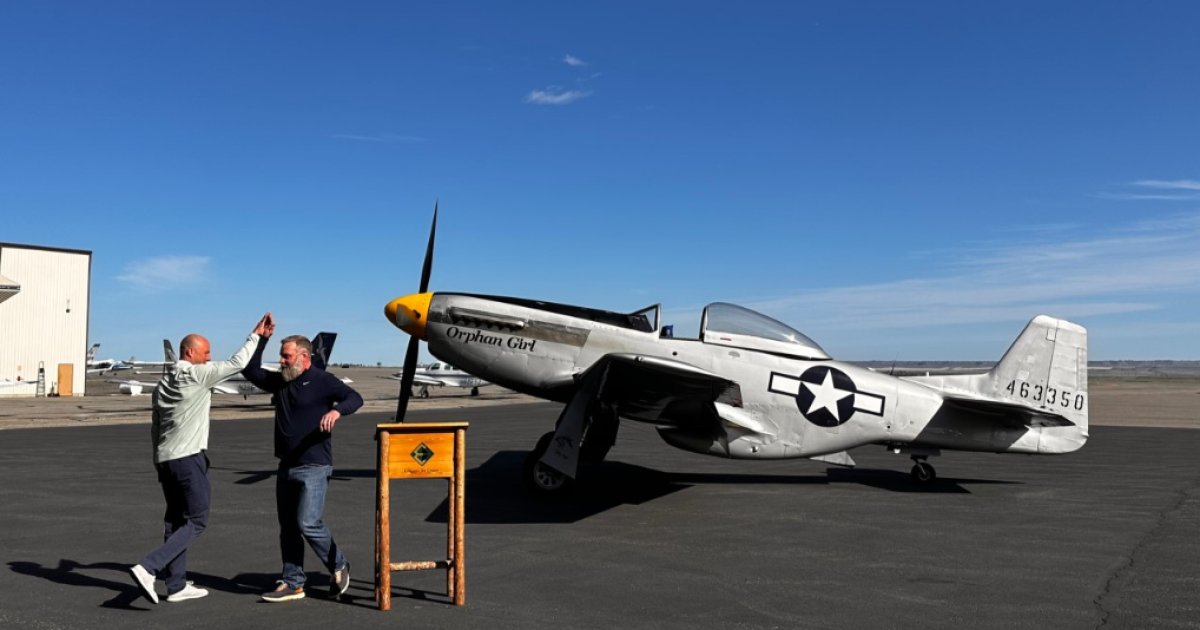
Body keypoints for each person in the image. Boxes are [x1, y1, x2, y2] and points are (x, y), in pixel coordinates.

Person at [129, 314, 273, 605]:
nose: (210, 358)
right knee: (197, 521)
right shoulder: (197, 374)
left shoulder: (163, 383)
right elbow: (236, 363)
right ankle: (148, 567)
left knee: (174, 521)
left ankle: (177, 585)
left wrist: (158, 460)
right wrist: (255, 335)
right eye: (206, 353)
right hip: (188, 459)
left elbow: (155, 425)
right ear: (190, 352)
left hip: (166, 459)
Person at [241, 321, 363, 603]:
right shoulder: (280, 380)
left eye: (287, 356)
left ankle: (339, 565)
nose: (281, 361)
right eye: (281, 356)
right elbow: (249, 370)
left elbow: (354, 398)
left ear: (304, 357)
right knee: (288, 528)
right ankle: (293, 582)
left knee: (308, 522)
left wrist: (336, 413)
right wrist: (260, 339)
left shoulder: (322, 380)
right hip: (286, 466)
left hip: (315, 466)